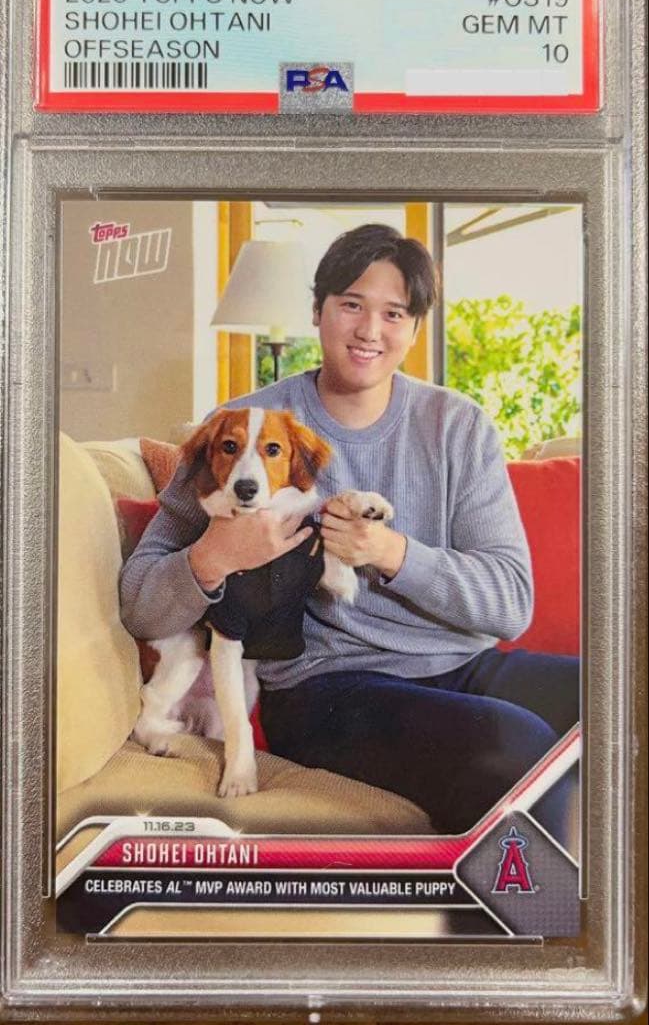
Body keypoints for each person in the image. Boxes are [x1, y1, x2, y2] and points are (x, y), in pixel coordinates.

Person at [120, 223, 579, 839]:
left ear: (415, 328)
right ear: (318, 311)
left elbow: (510, 604)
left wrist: (392, 553)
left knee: (618, 693)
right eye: (351, 305)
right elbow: (140, 604)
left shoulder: (459, 427)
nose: (370, 331)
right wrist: (212, 556)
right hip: (326, 689)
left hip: (460, 663)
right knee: (517, 744)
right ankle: (526, 901)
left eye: (394, 313)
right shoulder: (240, 432)